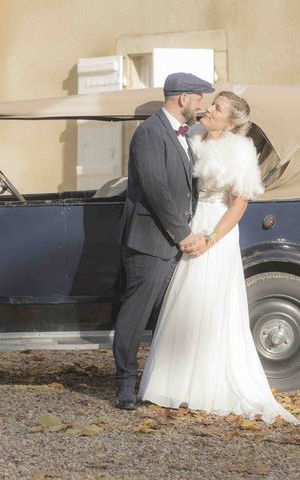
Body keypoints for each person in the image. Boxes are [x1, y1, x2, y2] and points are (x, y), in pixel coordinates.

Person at [138, 91, 300, 424]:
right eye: (211, 104)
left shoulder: (239, 151)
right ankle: (174, 382)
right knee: (184, 300)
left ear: (230, 121)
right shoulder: (193, 137)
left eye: (217, 108)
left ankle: (206, 386)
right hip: (190, 222)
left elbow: (239, 204)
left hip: (216, 229)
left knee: (209, 301)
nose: (208, 109)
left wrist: (210, 239)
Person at [113, 72, 213, 410]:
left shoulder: (184, 134)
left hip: (175, 242)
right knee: (135, 314)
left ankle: (162, 383)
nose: (202, 105)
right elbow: (155, 188)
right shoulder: (150, 133)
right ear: (183, 98)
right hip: (150, 240)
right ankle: (124, 384)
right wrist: (184, 234)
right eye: (199, 98)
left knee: (170, 316)